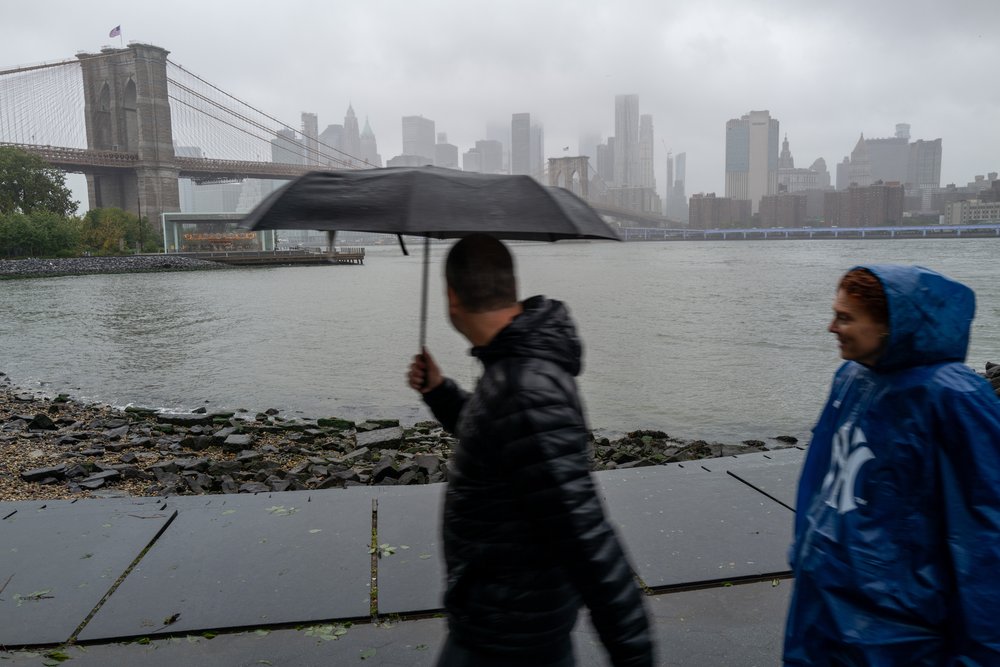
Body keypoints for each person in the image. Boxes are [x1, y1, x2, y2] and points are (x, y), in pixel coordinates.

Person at [407, 234, 653, 667]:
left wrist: (635, 656)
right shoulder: (512, 367)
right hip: (501, 619)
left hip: (509, 638)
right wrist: (440, 392)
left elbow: (587, 538)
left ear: (451, 297)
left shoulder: (524, 386)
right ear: (510, 286)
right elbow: (500, 441)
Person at [784, 265, 1000, 665]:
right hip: (824, 607)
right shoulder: (852, 378)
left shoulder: (953, 398)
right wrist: (804, 555)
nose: (832, 327)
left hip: (902, 629)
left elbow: (986, 528)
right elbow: (819, 479)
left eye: (845, 317)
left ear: (889, 325)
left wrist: (983, 652)